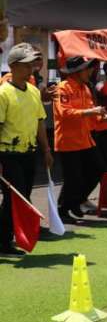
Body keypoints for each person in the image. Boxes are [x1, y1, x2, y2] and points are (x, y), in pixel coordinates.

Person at [0, 45, 54, 255]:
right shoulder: (3, 93)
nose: (31, 67)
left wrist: (47, 150)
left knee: (23, 195)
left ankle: (8, 238)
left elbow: (40, 122)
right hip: (7, 154)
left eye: (32, 63)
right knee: (17, 197)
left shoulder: (32, 91)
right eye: (26, 64)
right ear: (13, 66)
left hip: (29, 153)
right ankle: (4, 241)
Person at [54, 56, 107, 223]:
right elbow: (65, 113)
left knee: (99, 169)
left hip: (85, 139)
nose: (90, 71)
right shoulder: (62, 88)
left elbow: (93, 117)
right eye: (86, 68)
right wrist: (91, 112)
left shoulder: (86, 88)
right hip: (68, 141)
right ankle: (63, 210)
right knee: (73, 178)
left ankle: (75, 201)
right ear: (76, 72)